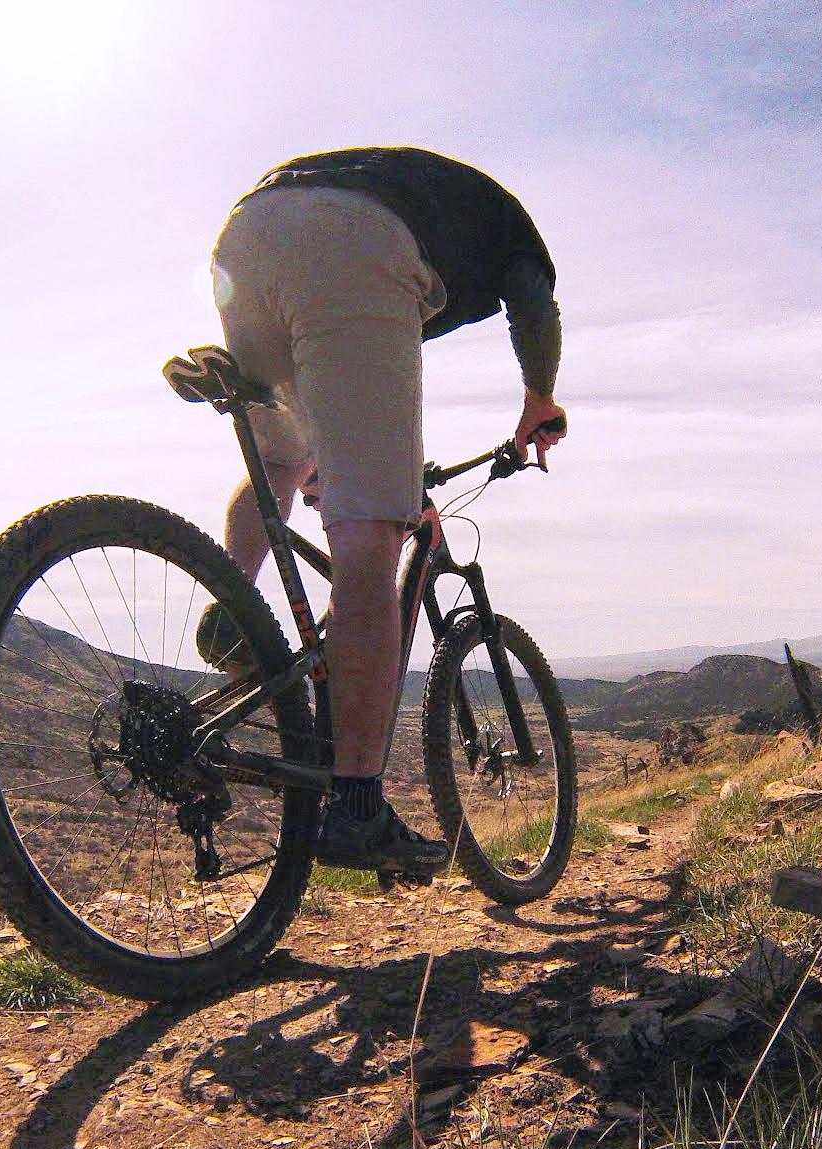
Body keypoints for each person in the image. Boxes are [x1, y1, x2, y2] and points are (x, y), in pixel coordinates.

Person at [196, 147, 566, 873]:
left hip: (247, 236)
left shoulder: (431, 199)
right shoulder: (508, 232)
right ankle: (359, 810)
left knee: (283, 458)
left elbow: (347, 376)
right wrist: (539, 399)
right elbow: (534, 303)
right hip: (351, 242)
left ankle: (234, 612)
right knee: (369, 537)